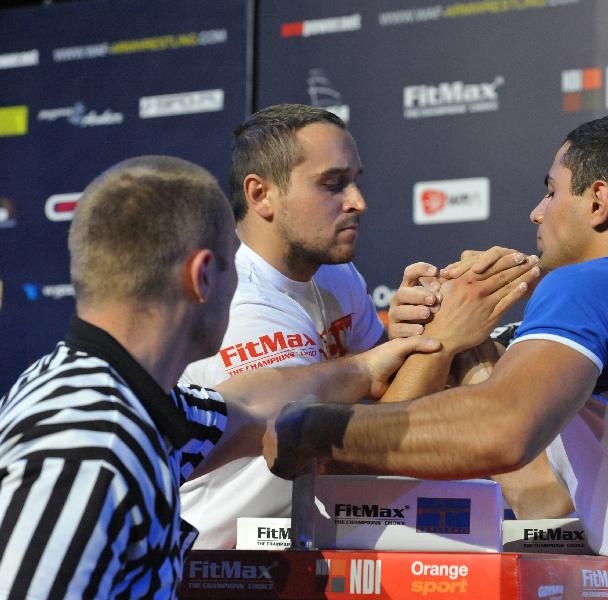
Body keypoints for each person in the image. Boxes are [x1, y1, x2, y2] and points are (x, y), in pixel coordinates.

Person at [263, 112, 608, 599]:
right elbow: (542, 495)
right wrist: (463, 335)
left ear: (597, 202)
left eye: (551, 191)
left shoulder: (594, 283)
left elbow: (500, 428)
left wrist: (318, 429)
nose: (536, 212)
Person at [0, 155, 459, 599]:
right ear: (202, 277)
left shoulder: (128, 401)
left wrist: (367, 364)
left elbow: (251, 405)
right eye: (232, 264)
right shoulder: (87, 448)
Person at [178, 103, 539, 548]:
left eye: (355, 181)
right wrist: (442, 341)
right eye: (332, 184)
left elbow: (380, 397)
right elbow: (352, 451)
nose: (358, 202)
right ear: (260, 195)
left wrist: (412, 334)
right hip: (226, 568)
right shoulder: (241, 303)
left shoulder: (335, 274)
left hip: (312, 544)